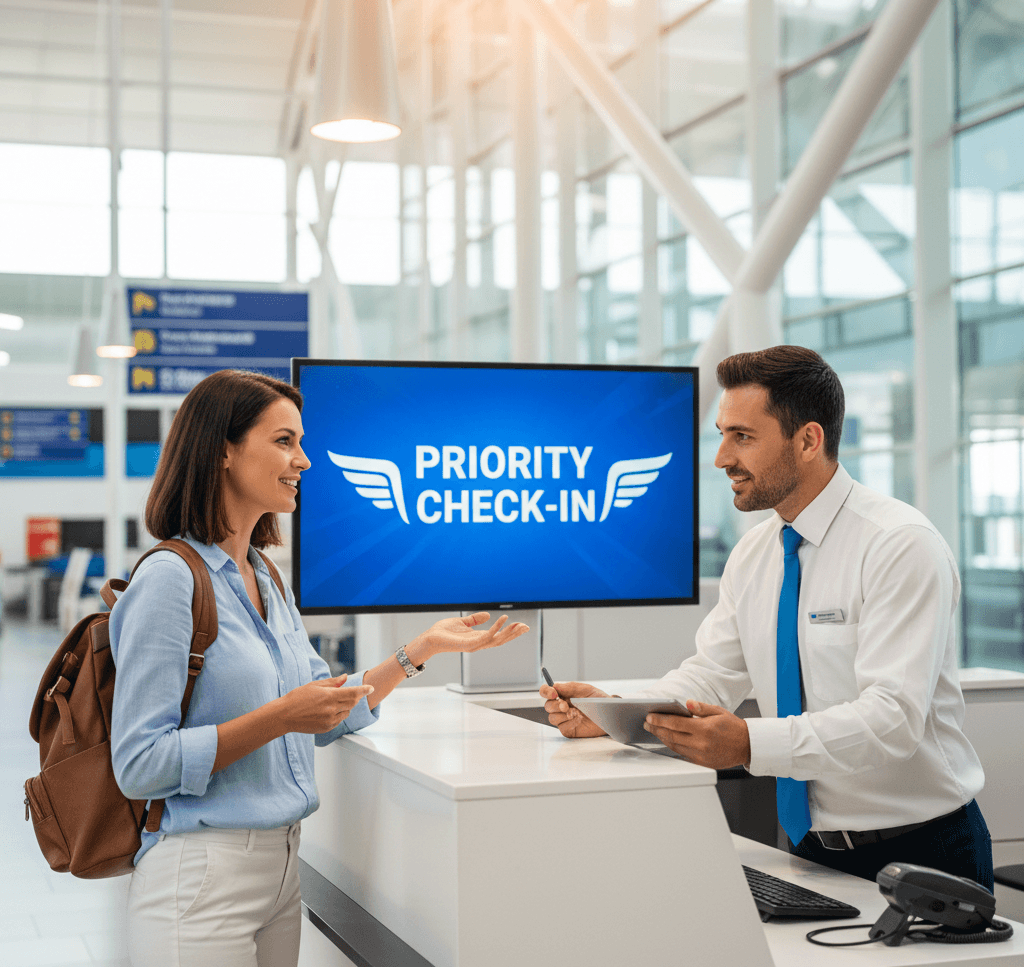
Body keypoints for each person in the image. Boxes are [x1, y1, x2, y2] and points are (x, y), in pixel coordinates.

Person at [110, 369, 529, 967]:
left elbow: (324, 710)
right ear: (223, 451)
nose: (303, 460)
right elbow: (138, 765)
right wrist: (281, 717)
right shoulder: (168, 580)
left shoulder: (265, 577)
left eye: (300, 442)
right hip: (199, 875)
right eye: (284, 441)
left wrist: (419, 651)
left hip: (283, 870)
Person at [542, 346, 993, 890]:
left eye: (743, 437)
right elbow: (712, 675)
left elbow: (892, 718)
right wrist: (616, 714)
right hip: (808, 848)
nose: (721, 458)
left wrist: (748, 744)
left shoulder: (899, 545)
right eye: (722, 435)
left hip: (923, 851)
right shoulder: (756, 553)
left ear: (808, 440)